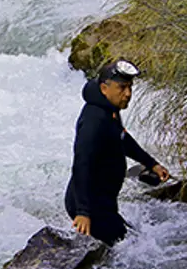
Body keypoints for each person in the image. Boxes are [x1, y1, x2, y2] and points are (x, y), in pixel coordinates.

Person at [64, 59, 170, 245]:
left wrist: (152, 164)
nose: (128, 94)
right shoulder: (93, 122)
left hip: (104, 200)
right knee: (127, 247)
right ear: (105, 89)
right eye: (122, 88)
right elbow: (81, 164)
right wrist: (83, 212)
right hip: (91, 204)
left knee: (130, 241)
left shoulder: (110, 109)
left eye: (130, 87)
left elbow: (122, 139)